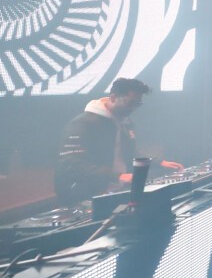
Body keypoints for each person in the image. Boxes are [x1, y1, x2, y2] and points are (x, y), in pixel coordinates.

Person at [55, 78, 183, 204]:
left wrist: (159, 162)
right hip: (86, 196)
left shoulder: (125, 122)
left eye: (137, 104)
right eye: (129, 102)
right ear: (113, 97)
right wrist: (117, 176)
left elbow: (130, 153)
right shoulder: (83, 124)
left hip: (116, 191)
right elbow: (71, 164)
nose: (133, 108)